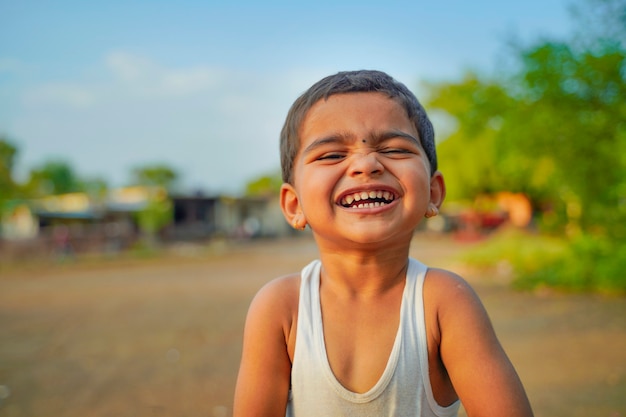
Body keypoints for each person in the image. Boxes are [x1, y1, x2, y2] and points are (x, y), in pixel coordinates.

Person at [233, 70, 534, 417]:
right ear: (294, 205)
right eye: (331, 155)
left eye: (393, 149)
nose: (365, 164)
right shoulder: (281, 308)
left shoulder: (444, 302)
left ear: (433, 193)